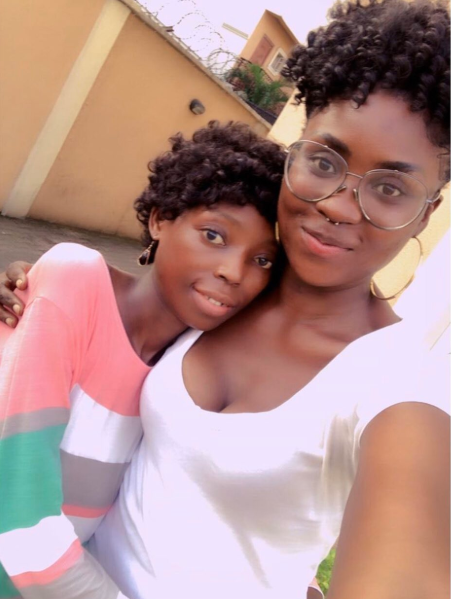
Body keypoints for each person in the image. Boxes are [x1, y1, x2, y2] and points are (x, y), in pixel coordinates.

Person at [2, 1, 449, 597]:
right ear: (296, 151)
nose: (340, 205)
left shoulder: (400, 386)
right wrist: (33, 291)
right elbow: (114, 323)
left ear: (426, 213)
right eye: (324, 161)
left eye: (391, 188)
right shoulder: (229, 292)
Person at [0, 121, 285, 599]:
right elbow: (19, 520)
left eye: (263, 260)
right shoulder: (75, 282)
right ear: (159, 219)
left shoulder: (191, 363)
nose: (233, 272)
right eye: (214, 235)